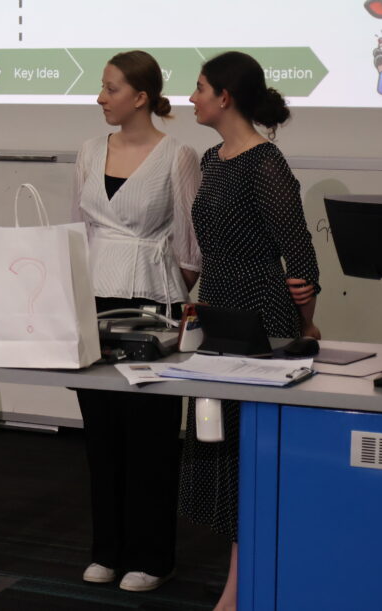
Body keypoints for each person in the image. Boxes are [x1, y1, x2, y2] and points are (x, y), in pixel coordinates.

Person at [183, 51, 320, 611]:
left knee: (247, 452)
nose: (191, 98)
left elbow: (299, 251)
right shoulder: (212, 158)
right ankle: (241, 584)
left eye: (199, 88)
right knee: (217, 443)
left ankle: (240, 591)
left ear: (225, 97)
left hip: (261, 317)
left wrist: (306, 320)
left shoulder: (265, 161)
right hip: (218, 310)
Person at [70, 51, 201, 592]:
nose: (101, 97)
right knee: (101, 434)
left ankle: (152, 556)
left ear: (141, 96)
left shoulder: (178, 155)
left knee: (150, 438)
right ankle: (108, 549)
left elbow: (191, 246)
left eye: (111, 88)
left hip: (153, 302)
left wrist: (170, 303)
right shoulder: (88, 150)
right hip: (92, 300)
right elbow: (77, 230)